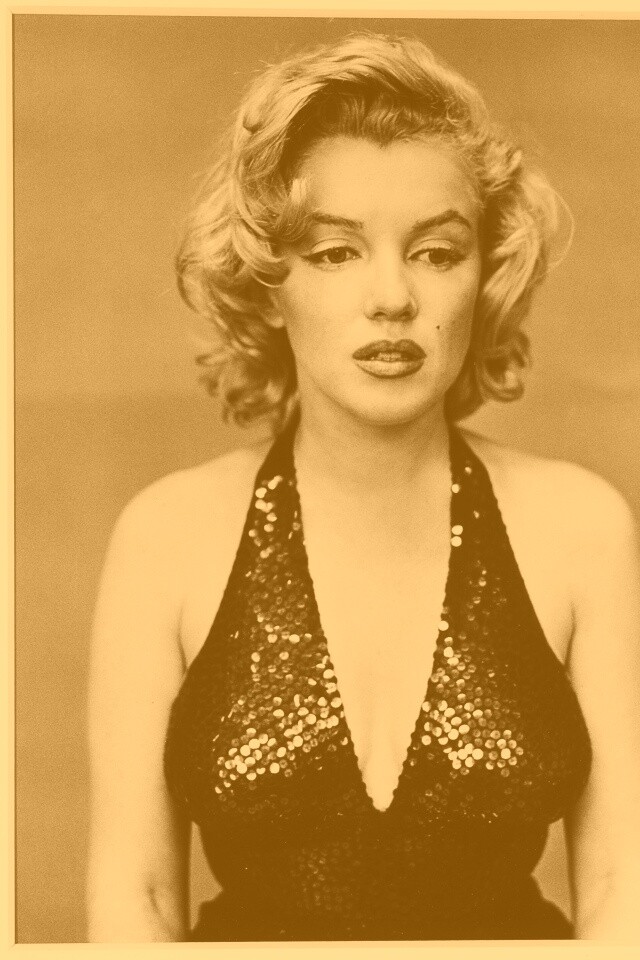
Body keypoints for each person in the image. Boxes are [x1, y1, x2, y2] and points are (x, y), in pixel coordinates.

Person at [86, 32, 640, 942]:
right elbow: (134, 903)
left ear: (484, 277)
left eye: (437, 252)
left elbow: (623, 894)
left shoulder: (583, 529)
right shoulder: (165, 540)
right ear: (269, 283)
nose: (392, 297)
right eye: (336, 253)